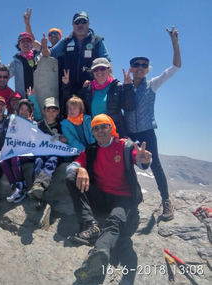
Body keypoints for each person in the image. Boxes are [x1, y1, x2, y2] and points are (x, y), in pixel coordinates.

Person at [65, 114, 152, 282]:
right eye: (96, 128)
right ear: (93, 133)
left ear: (112, 128)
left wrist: (144, 160)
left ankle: (99, 254)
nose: (100, 131)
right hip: (100, 196)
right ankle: (91, 225)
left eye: (104, 126)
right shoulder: (91, 150)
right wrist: (79, 169)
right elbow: (71, 167)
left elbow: (139, 158)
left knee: (114, 222)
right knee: (71, 178)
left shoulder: (124, 146)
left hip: (123, 198)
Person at [124, 27, 181, 221]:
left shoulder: (153, 84)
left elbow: (175, 67)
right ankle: (129, 199)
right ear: (131, 68)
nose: (140, 67)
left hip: (147, 132)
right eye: (136, 64)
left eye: (144, 65)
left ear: (147, 69)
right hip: (130, 133)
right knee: (127, 165)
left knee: (155, 165)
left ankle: (166, 201)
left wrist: (174, 42)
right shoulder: (124, 86)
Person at [42, 11, 111, 96]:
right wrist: (44, 47)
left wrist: (111, 84)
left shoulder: (97, 41)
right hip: (69, 89)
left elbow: (107, 62)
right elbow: (49, 54)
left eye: (83, 21)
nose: (80, 25)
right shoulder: (65, 41)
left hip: (91, 89)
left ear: (88, 24)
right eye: (77, 22)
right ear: (73, 25)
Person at [63, 58, 135, 137]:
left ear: (108, 70)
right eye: (96, 69)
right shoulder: (88, 88)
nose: (99, 72)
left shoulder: (117, 86)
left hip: (114, 133)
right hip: (94, 133)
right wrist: (66, 85)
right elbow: (73, 102)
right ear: (93, 72)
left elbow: (129, 107)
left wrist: (128, 87)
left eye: (102, 68)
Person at [28, 97, 67, 205]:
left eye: (54, 110)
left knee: (52, 161)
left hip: (55, 153)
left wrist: (63, 139)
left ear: (58, 111)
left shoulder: (62, 125)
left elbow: (68, 138)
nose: (51, 113)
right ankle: (37, 190)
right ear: (44, 111)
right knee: (38, 161)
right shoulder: (39, 124)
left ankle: (39, 186)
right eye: (48, 110)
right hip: (42, 152)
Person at [1, 99, 35, 203]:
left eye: (26, 110)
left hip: (29, 153)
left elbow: (35, 139)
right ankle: (14, 187)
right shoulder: (14, 124)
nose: (24, 112)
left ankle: (22, 186)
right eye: (22, 109)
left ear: (30, 112)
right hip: (17, 152)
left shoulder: (34, 123)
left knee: (15, 159)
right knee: (3, 161)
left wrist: (29, 125)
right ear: (18, 111)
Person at [0, 31, 40, 98]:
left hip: (40, 96)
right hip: (24, 99)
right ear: (19, 45)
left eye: (28, 41)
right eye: (23, 42)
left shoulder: (39, 56)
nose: (25, 43)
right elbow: (3, 73)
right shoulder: (15, 62)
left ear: (32, 44)